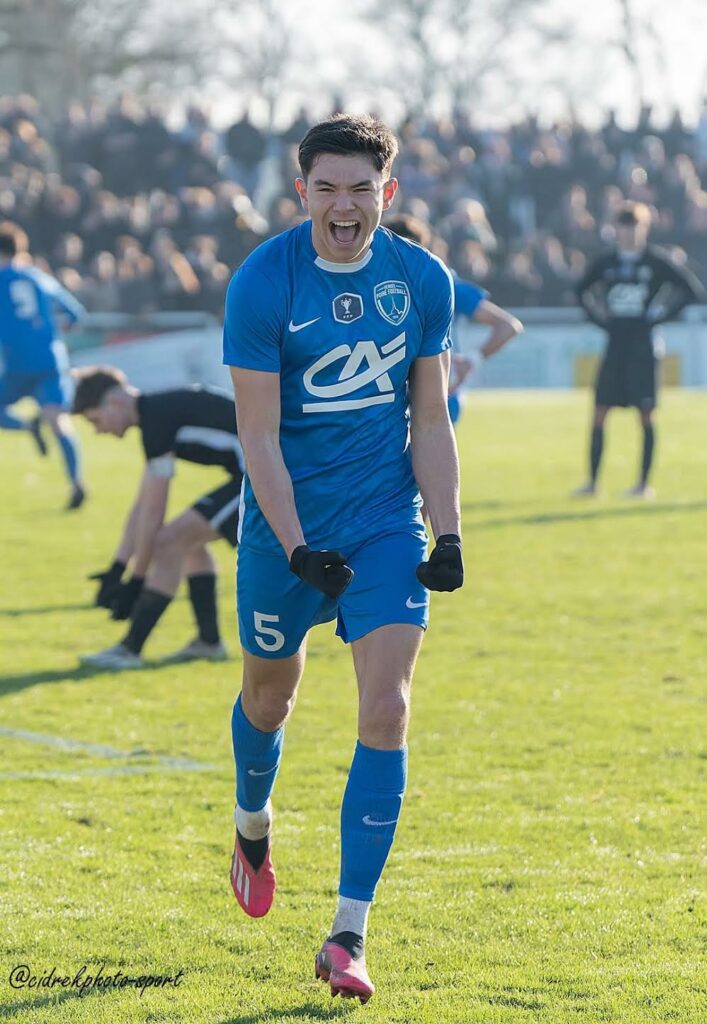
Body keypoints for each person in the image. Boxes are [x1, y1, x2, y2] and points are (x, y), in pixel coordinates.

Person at [223, 114, 464, 1004]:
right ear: (302, 194)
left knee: (388, 703)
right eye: (326, 187)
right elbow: (256, 434)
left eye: (360, 188)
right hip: (285, 528)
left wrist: (446, 531)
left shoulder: (420, 278)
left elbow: (430, 418)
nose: (343, 204)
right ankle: (252, 822)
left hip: (380, 521)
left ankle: (348, 934)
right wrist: (294, 544)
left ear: (385, 196)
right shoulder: (262, 282)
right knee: (267, 695)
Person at [72, 366, 242, 669]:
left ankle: (130, 649)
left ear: (116, 402)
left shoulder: (156, 420)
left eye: (95, 420)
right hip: (259, 472)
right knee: (189, 543)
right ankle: (208, 642)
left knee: (171, 541)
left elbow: (154, 512)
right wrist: (118, 567)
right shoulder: (154, 416)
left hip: (273, 473)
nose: (98, 431)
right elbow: (142, 505)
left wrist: (137, 580)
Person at [573, 201, 704, 498]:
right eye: (624, 225)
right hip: (615, 344)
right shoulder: (606, 262)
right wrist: (600, 318)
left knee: (646, 414)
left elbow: (691, 290)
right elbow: (581, 290)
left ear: (644, 228)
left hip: (644, 348)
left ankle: (643, 485)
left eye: (635, 226)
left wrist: (659, 316)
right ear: (616, 229)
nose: (629, 232)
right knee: (599, 411)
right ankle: (592, 484)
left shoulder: (656, 261)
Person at [384, 213, 523, 423]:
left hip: (436, 394)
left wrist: (473, 359)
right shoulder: (373, 286)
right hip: (390, 396)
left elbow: (508, 326)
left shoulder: (443, 284)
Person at [0, 223, 87, 509]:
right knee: (59, 422)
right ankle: (77, 484)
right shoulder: (38, 277)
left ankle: (26, 425)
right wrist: (47, 331)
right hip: (49, 359)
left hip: (16, 365)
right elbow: (74, 313)